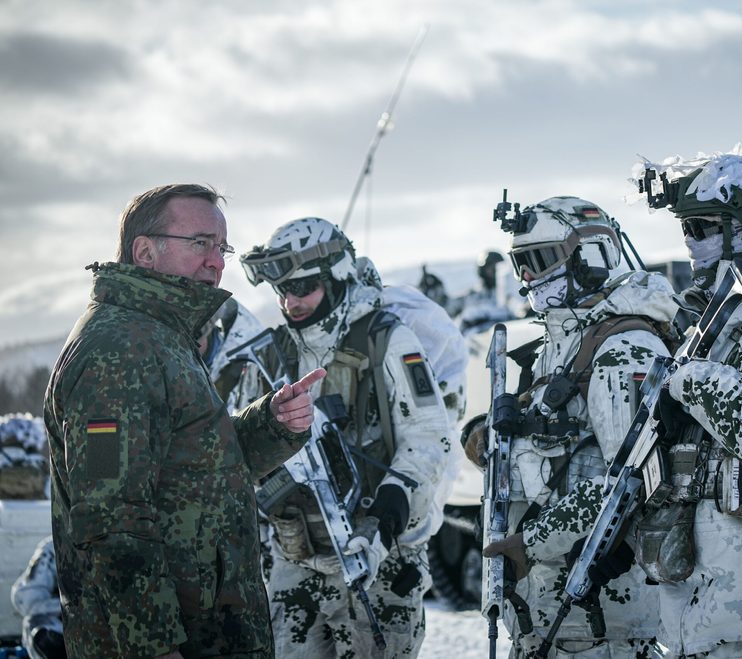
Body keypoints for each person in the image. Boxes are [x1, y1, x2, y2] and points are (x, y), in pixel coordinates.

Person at [508, 150, 742, 658]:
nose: (689, 242)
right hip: (705, 604)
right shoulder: (722, 319)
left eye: (702, 228)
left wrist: (686, 378)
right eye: (686, 228)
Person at [43, 183, 325, 659]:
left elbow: (196, 471)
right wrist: (154, 646)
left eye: (222, 247)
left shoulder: (161, 336)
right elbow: (112, 519)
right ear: (145, 252)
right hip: (173, 641)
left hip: (208, 629)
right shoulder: (120, 348)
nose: (216, 262)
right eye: (200, 243)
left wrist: (272, 423)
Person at [468, 195, 681, 657]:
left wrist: (530, 544)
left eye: (541, 260)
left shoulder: (624, 347)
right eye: (521, 263)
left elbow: (631, 482)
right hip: (546, 612)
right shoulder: (561, 343)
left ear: (590, 256)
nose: (529, 277)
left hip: (599, 613)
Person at [240, 217, 452, 658]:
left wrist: (384, 521)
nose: (290, 302)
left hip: (377, 561)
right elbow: (245, 454)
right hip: (295, 563)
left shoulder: (385, 339)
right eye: (281, 290)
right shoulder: (269, 354)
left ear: (337, 277)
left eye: (303, 287)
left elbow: (429, 438)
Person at [10, 537, 65, 659]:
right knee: (36, 624)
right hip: (71, 623)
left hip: (106, 625)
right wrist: (69, 607)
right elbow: (27, 600)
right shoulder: (58, 544)